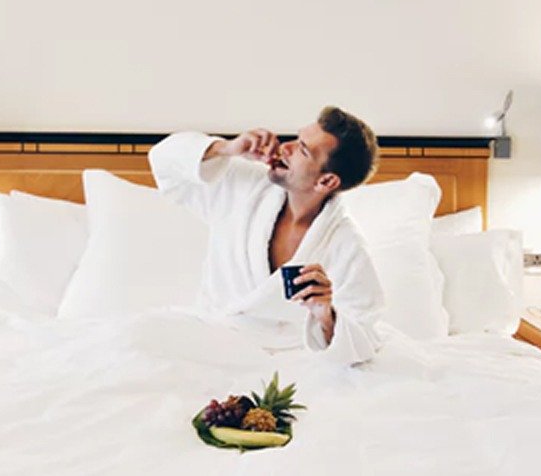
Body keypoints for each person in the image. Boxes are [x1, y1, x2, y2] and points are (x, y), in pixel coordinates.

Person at [148, 106, 384, 365]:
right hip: (210, 343)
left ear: (326, 182)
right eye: (296, 138)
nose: (285, 148)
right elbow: (162, 160)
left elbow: (364, 337)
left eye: (302, 150)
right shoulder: (244, 186)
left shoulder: (345, 244)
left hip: (287, 363)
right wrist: (226, 148)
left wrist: (326, 316)